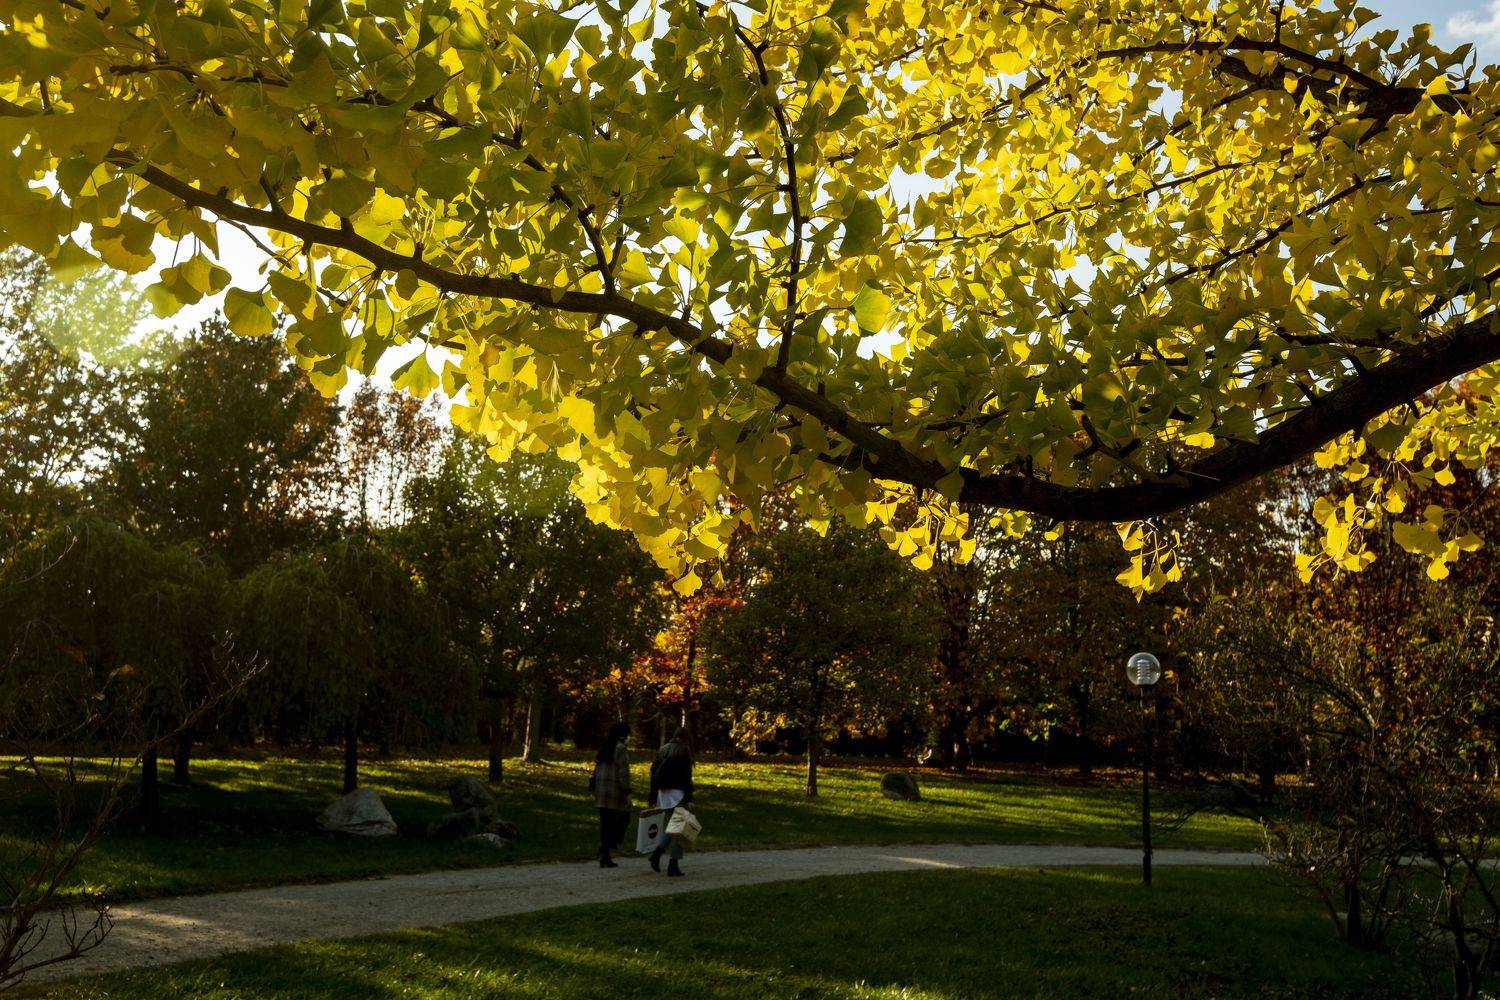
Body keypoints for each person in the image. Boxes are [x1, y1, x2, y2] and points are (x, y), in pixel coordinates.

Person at [648, 726, 694, 877]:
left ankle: (669, 862)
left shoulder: (663, 750)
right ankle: (664, 857)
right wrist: (689, 798)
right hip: (678, 793)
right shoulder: (684, 751)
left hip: (663, 793)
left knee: (674, 828)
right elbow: (687, 777)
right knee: (678, 829)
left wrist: (652, 796)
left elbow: (653, 773)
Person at [590, 722, 632, 868]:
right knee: (624, 818)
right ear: (623, 735)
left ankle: (605, 854)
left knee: (605, 824)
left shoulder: (605, 747)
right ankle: (608, 847)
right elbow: (623, 772)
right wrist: (627, 792)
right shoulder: (621, 749)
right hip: (614, 790)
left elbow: (596, 767)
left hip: (601, 790)